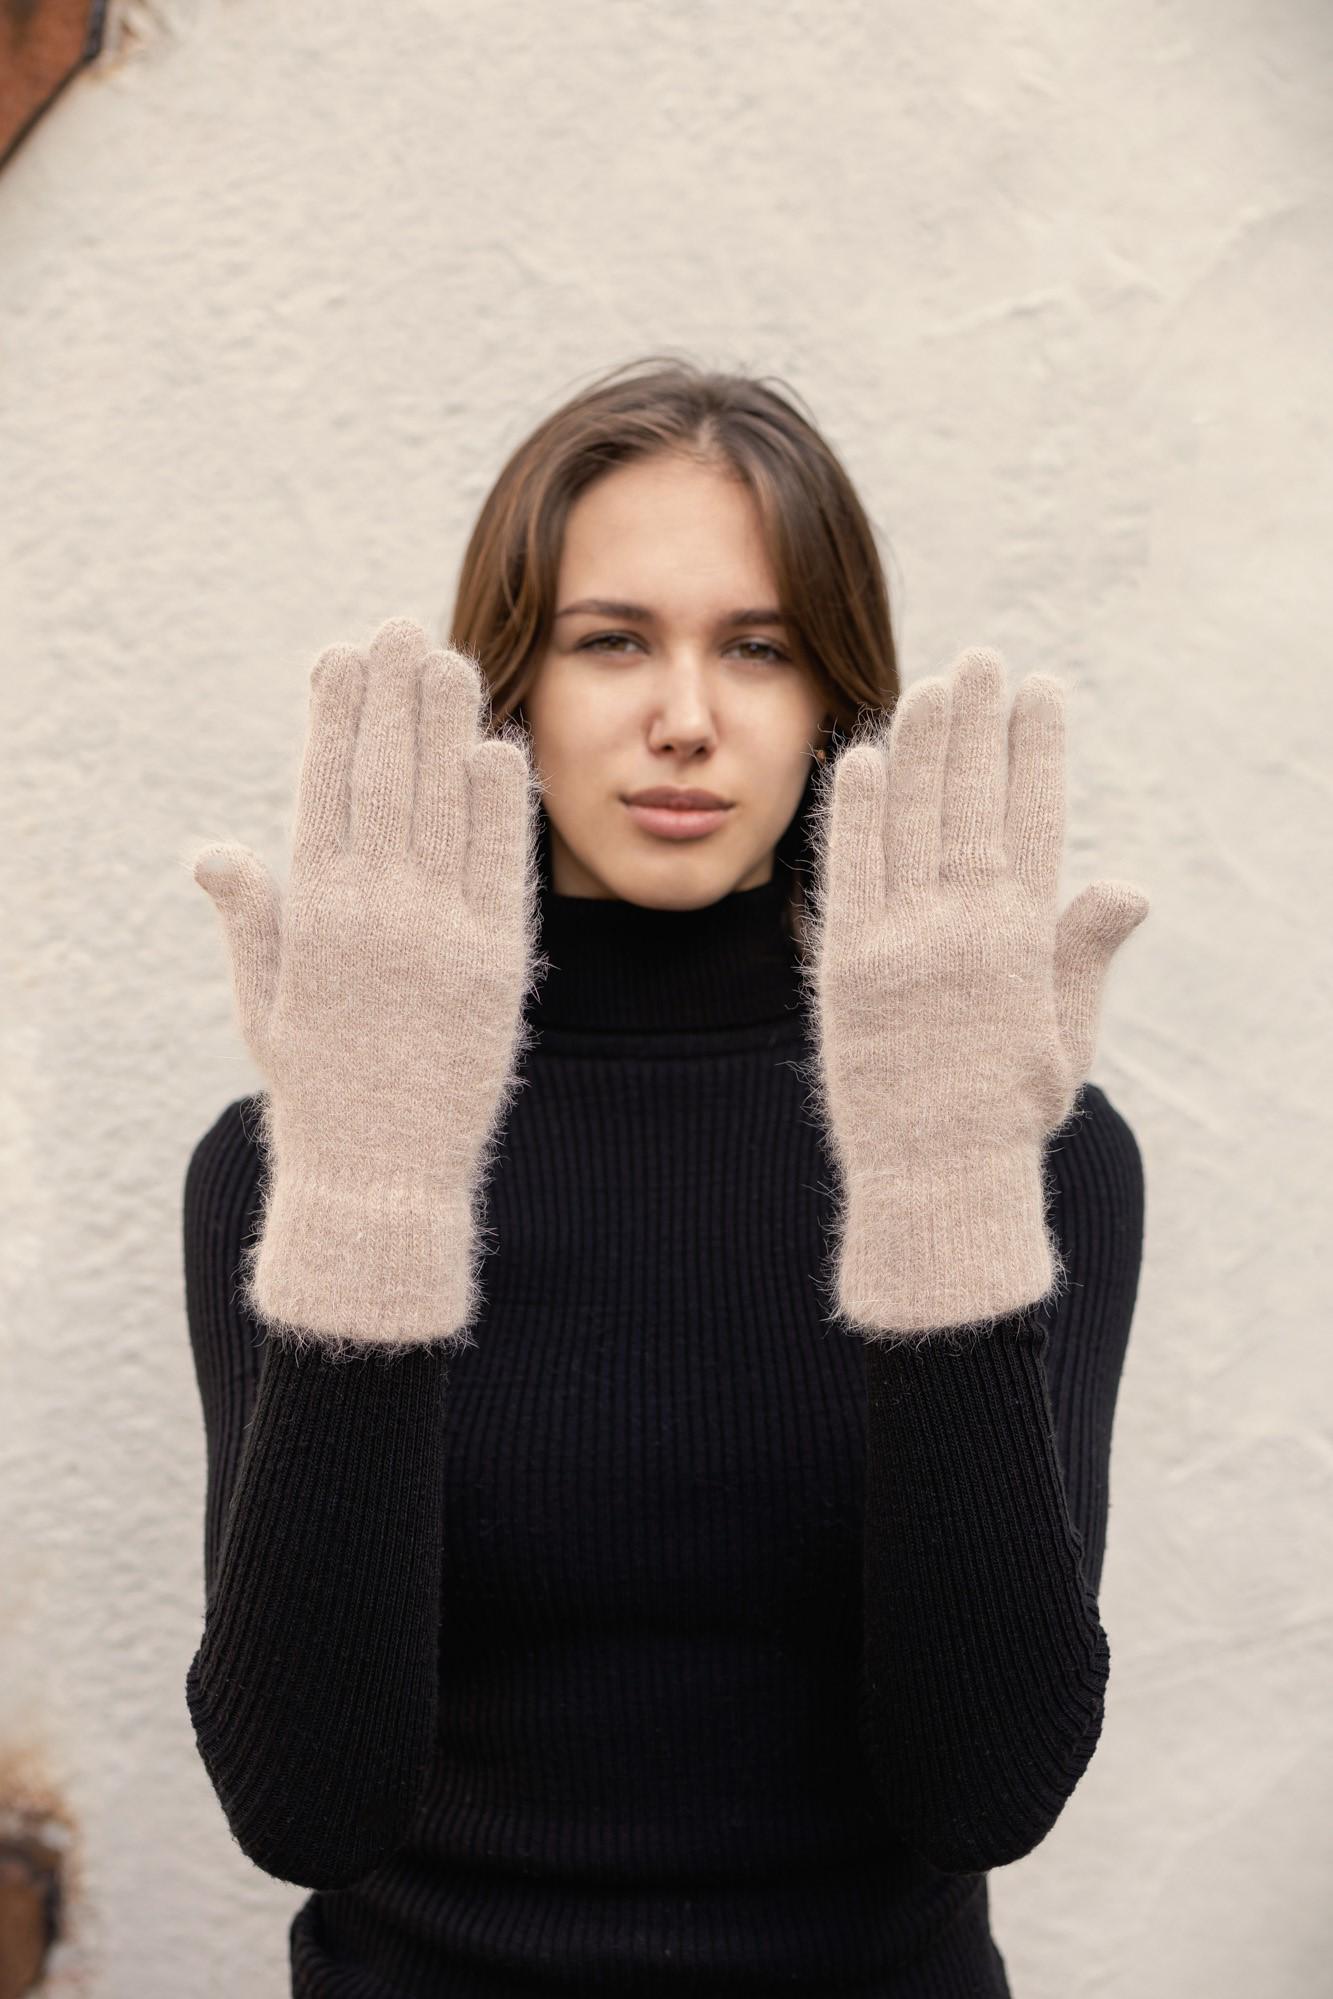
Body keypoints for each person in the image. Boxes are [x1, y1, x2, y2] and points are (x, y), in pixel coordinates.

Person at [183, 356, 1149, 1997]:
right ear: (512, 684)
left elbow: (983, 1786)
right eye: (610, 640)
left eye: (756, 649)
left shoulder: (1020, 1140)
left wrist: (939, 1198)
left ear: (833, 696)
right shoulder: (305, 1148)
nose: (685, 717)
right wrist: (376, 1194)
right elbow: (302, 1802)